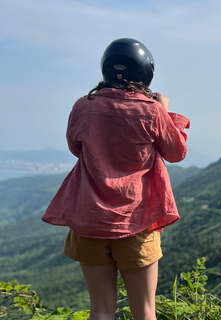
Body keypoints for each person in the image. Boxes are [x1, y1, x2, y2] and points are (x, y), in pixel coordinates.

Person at [42, 38, 189, 320]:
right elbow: (176, 152)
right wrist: (165, 111)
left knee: (100, 309)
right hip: (137, 221)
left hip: (90, 221)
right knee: (144, 311)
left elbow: (76, 147)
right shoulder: (152, 110)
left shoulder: (83, 106)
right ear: (146, 72)